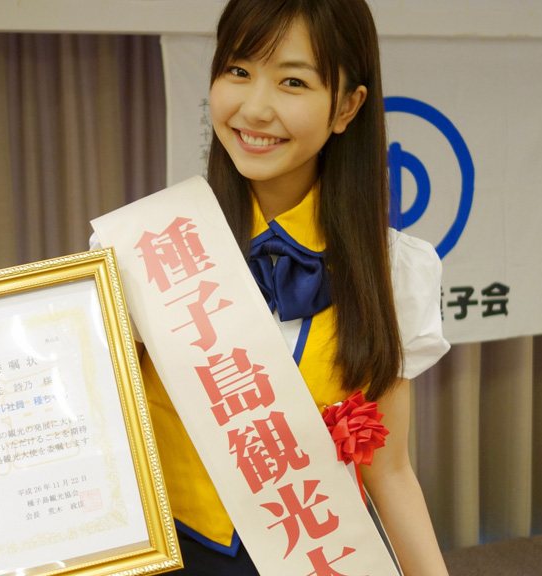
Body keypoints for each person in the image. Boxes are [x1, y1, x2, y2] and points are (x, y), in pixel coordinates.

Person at [138, 0, 451, 574]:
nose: (255, 108)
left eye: (292, 81)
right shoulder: (147, 249)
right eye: (238, 70)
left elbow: (389, 470)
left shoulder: (393, 271)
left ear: (347, 106)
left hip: (313, 554)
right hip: (169, 555)